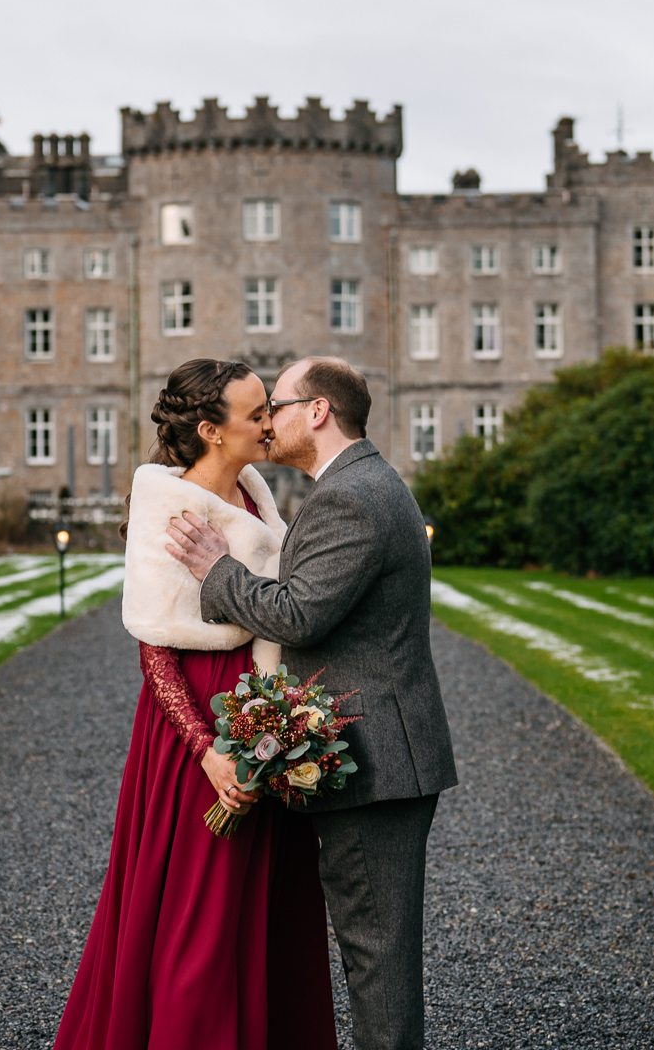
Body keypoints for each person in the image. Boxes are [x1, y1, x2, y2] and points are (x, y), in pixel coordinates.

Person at [166, 356, 457, 1050]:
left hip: (377, 765)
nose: (269, 420)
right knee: (377, 956)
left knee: (376, 962)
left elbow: (299, 616)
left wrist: (217, 568)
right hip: (388, 757)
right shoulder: (364, 485)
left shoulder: (351, 497)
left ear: (318, 411)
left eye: (279, 404)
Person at [55, 358, 337, 1050]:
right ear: (212, 431)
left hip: (258, 712)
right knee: (196, 919)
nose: (271, 423)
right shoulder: (170, 509)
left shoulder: (252, 496)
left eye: (268, 408)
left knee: (261, 910)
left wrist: (273, 733)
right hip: (195, 730)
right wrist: (209, 751)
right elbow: (155, 650)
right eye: (256, 415)